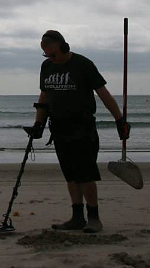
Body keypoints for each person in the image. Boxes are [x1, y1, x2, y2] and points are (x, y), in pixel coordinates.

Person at [24, 30, 130, 233]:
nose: (51, 59)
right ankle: (77, 217)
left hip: (83, 128)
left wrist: (119, 120)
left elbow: (103, 94)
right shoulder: (47, 67)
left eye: (53, 54)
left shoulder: (83, 64)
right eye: (47, 55)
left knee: (86, 174)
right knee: (70, 175)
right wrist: (38, 123)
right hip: (59, 128)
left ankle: (94, 218)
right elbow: (44, 96)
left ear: (64, 47)